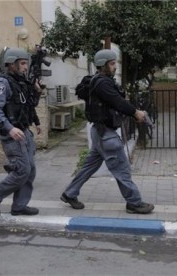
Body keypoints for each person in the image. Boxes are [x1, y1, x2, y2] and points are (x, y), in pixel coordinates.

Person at [60, 49, 154, 214]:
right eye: (112, 64)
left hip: (99, 133)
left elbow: (115, 102)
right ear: (103, 65)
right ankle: (134, 202)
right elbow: (118, 102)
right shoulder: (102, 83)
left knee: (88, 167)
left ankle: (70, 193)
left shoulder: (102, 81)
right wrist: (136, 113)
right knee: (122, 169)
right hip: (106, 135)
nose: (115, 67)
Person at [0, 47, 42, 218]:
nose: (26, 67)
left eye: (26, 63)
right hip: (12, 135)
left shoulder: (21, 82)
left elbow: (28, 105)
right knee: (22, 170)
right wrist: (9, 128)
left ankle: (19, 205)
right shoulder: (3, 83)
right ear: (12, 64)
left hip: (24, 132)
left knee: (30, 170)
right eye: (23, 63)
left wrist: (36, 121)